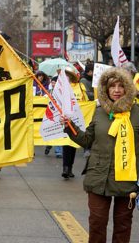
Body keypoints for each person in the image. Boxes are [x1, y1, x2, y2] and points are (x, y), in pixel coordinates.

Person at [62, 67, 139, 242]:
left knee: (123, 225)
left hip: (127, 179)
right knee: (97, 223)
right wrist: (70, 127)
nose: (117, 90)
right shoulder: (99, 111)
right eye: (112, 86)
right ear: (106, 89)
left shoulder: (137, 113)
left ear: (128, 88)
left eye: (121, 86)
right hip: (98, 177)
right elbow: (87, 140)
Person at [61, 67, 89, 179]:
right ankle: (65, 168)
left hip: (78, 120)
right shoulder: (62, 88)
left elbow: (86, 101)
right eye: (65, 74)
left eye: (69, 74)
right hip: (66, 120)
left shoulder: (80, 87)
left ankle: (70, 168)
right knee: (66, 144)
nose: (67, 76)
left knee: (74, 144)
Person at [44, 76, 63, 158]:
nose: (52, 84)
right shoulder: (49, 91)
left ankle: (58, 151)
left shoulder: (62, 92)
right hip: (50, 115)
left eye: (54, 82)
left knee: (58, 132)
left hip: (59, 114)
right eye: (51, 82)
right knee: (52, 132)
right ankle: (49, 145)